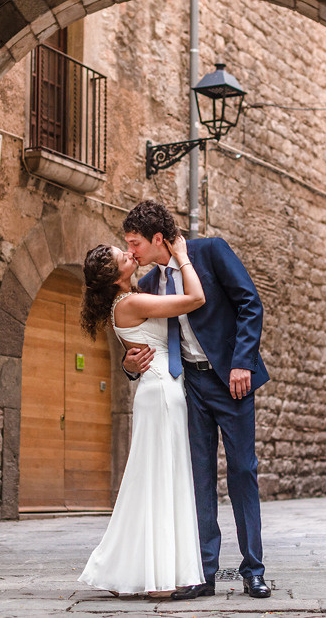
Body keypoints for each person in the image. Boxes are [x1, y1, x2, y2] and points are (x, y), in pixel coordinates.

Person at [122, 200, 271, 599]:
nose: (131, 252)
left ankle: (253, 569)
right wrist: (130, 364)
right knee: (198, 479)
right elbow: (142, 339)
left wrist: (242, 362)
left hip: (231, 382)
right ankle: (203, 573)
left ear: (157, 239)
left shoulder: (211, 251)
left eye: (134, 243)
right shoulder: (151, 283)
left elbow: (249, 304)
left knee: (242, 472)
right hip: (188, 387)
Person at [77, 234, 206, 597]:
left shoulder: (128, 301)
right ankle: (158, 579)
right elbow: (195, 299)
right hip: (162, 393)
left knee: (154, 481)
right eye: (125, 255)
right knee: (161, 481)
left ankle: (147, 571)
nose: (132, 254)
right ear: (118, 275)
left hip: (157, 391)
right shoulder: (131, 301)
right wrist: (181, 256)